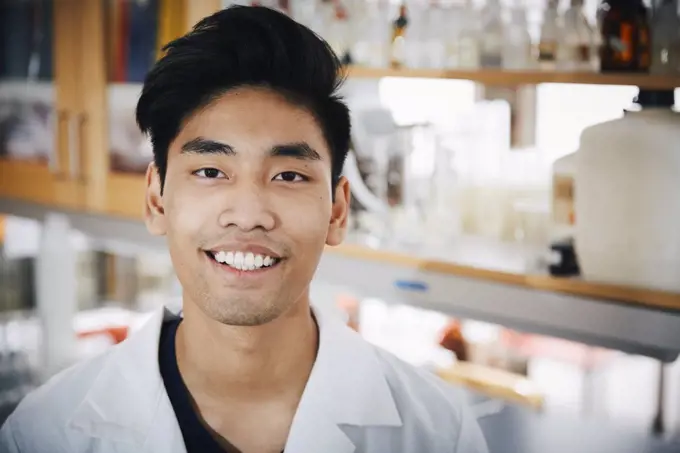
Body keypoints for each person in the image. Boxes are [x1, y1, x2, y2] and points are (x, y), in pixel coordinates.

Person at [0, 5, 488, 453]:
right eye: (211, 172)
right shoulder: (46, 432)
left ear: (337, 212)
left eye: (289, 175)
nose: (249, 213)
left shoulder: (436, 431)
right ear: (156, 200)